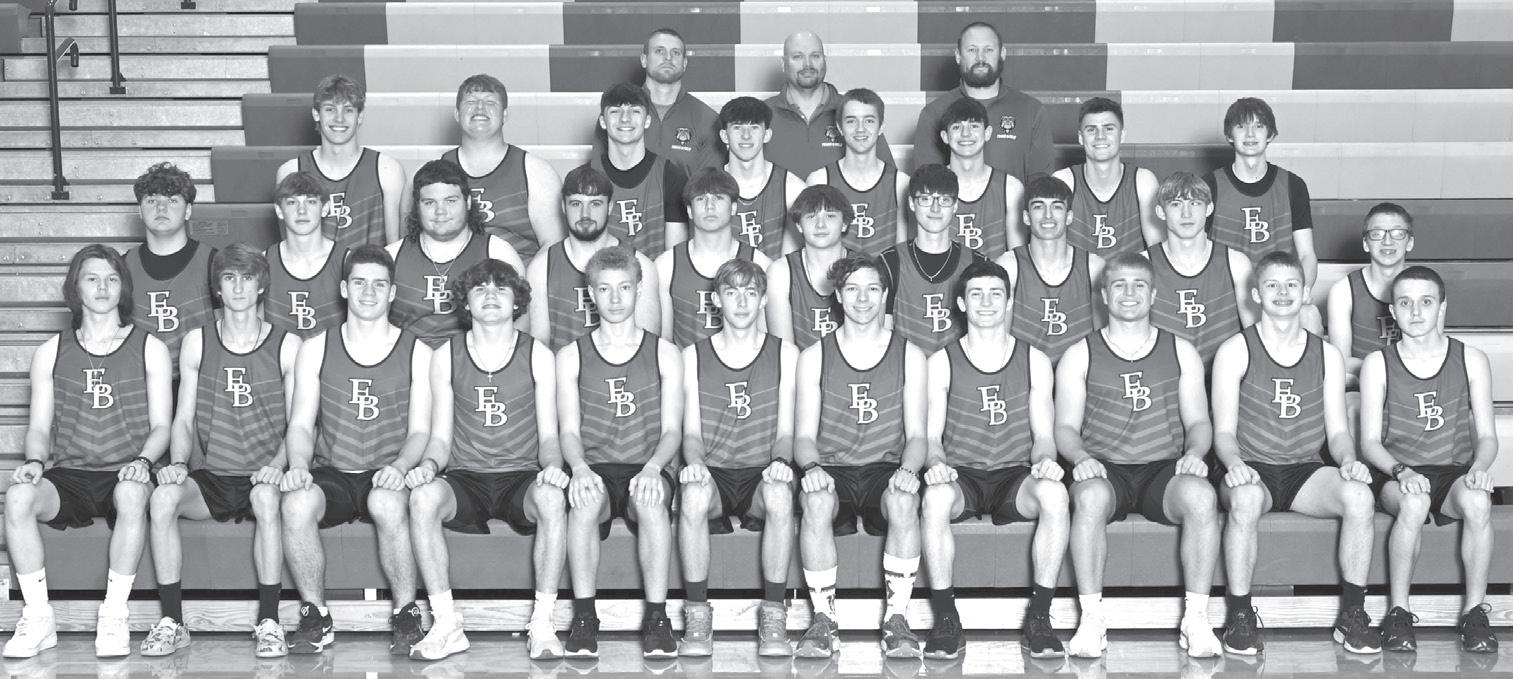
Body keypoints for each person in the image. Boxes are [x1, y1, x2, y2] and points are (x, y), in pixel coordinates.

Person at [2, 245, 173, 659]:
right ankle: (39, 618)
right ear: (75, 288)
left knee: (131, 493)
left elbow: (162, 427)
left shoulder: (149, 347)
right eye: (92, 278)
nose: (102, 287)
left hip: (127, 470)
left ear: (123, 288)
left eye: (112, 279)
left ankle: (114, 615)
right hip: (71, 474)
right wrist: (34, 462)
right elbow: (39, 427)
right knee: (19, 496)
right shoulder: (51, 351)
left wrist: (143, 462)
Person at [1210, 251, 1380, 656]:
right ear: (1256, 294)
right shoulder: (1235, 349)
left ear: (1305, 293)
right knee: (1245, 499)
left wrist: (1348, 460)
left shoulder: (1327, 354)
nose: (1282, 292)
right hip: (1251, 466)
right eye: (1272, 285)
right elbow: (1223, 432)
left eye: (1291, 285)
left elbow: (1337, 432)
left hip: (1305, 471)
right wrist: (1234, 464)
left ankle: (1352, 615)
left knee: (1360, 496)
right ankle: (1239, 616)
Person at [1054, 254, 1222, 659]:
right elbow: (1064, 428)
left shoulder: (1180, 350)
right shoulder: (1080, 352)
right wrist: (1080, 457)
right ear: (1103, 295)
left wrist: (1196, 452)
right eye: (1119, 285)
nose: (1129, 293)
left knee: (1202, 497)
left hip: (1162, 468)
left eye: (1139, 285)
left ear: (1153, 294)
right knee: (1089, 497)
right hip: (1103, 465)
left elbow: (1199, 422)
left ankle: (1197, 619)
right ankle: (1091, 619)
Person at [142, 245, 300, 658]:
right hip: (213, 477)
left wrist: (278, 466)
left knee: (266, 498)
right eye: (229, 278)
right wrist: (178, 464)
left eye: (247, 278)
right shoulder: (197, 341)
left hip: (264, 476)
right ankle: (172, 621)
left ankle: (270, 621)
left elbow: (302, 424)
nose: (238, 287)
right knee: (162, 498)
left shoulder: (287, 344)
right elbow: (183, 418)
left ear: (262, 285)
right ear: (217, 287)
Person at [405, 259, 568, 661]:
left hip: (520, 476)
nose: (490, 295)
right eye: (480, 288)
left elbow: (549, 436)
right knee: (423, 497)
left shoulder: (538, 354)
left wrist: (552, 466)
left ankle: (542, 623)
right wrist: (427, 467)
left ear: (517, 302)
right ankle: (446, 624)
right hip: (467, 477)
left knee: (552, 498)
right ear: (465, 302)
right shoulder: (446, 354)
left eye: (501, 288)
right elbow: (440, 437)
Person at [278, 245, 434, 656]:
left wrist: (401, 466)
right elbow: (300, 424)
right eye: (360, 282)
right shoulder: (316, 347)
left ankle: (406, 615)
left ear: (393, 292)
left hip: (388, 471)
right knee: (295, 503)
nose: (369, 292)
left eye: (379, 284)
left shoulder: (418, 351)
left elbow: (420, 430)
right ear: (344, 288)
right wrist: (298, 465)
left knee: (386, 502)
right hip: (334, 471)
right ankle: (316, 616)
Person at [918, 260, 1066, 660]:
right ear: (961, 304)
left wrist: (1046, 461)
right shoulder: (941, 361)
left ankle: (1040, 617)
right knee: (934, 498)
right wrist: (937, 463)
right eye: (976, 294)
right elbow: (931, 437)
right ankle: (946, 618)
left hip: (1014, 475)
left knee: (1055, 494)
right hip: (961, 475)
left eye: (995, 293)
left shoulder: (1034, 359)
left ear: (1010, 302)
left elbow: (1044, 437)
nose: (986, 302)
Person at [791, 255, 929, 659]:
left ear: (885, 295)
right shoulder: (814, 355)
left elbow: (917, 436)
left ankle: (897, 619)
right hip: (832, 467)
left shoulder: (910, 354)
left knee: (904, 500)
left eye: (872, 289)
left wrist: (909, 470)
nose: (863, 298)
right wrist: (811, 468)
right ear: (838, 296)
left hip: (885, 467)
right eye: (852, 289)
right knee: (815, 500)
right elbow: (803, 436)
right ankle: (823, 619)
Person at [1357, 266, 1498, 654]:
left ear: (1442, 307)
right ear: (1392, 311)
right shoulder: (1378, 362)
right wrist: (1401, 472)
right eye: (1405, 303)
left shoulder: (1471, 358)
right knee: (1415, 502)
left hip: (1453, 472)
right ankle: (1398, 612)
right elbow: (1369, 443)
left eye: (1426, 302)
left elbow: (1487, 437)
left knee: (1478, 501)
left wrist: (1478, 470)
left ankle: (1474, 614)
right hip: (1397, 473)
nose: (1416, 312)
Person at [556, 247, 684, 659]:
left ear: (639, 290)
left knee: (651, 503)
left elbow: (672, 430)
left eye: (624, 288)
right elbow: (568, 430)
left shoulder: (664, 352)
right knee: (583, 503)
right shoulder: (571, 354)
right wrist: (578, 468)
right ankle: (584, 618)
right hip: (593, 465)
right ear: (591, 293)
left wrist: (653, 469)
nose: (615, 298)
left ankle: (657, 618)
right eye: (605, 289)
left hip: (646, 463)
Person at [676, 260, 799, 657]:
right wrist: (695, 463)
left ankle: (774, 614)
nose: (742, 302)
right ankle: (697, 614)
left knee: (780, 493)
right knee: (693, 494)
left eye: (750, 293)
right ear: (716, 300)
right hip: (714, 472)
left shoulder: (786, 353)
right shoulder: (692, 355)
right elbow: (691, 434)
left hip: (762, 472)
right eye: (731, 293)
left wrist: (781, 461)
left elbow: (786, 432)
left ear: (763, 300)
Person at [386, 160, 525, 348]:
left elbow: (521, 322)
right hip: (407, 361)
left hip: (475, 361)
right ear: (417, 206)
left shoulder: (497, 252)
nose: (440, 211)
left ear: (468, 202)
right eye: (429, 202)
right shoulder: (392, 256)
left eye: (450, 201)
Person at [526, 166, 660, 351]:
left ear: (610, 207)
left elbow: (648, 348)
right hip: (563, 368)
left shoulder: (641, 265)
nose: (585, 214)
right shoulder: (542, 267)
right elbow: (539, 346)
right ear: (563, 207)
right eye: (576, 204)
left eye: (595, 204)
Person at [441, 74, 565, 260]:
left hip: (518, 274)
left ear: (504, 115)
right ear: (457, 114)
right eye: (471, 101)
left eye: (490, 102)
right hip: (454, 275)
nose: (480, 107)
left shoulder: (536, 172)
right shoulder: (434, 172)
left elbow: (553, 246)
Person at [275, 74, 407, 250]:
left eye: (348, 110)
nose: (339, 118)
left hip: (369, 267)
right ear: (316, 114)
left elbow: (395, 250)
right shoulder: (291, 171)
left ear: (360, 116)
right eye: (330, 109)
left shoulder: (387, 169)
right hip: (314, 268)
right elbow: (291, 249)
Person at [913, 22, 1053, 181]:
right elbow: (927, 184)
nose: (980, 58)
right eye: (972, 50)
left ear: (1002, 53)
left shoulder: (1031, 111)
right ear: (958, 56)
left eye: (988, 50)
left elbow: (1041, 184)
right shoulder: (934, 113)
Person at [1205, 97, 1318, 288]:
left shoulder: (1293, 185)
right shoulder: (1209, 185)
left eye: (1258, 126)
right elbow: (1196, 253)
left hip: (1276, 292)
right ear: (1229, 135)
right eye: (1241, 126)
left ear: (1270, 134)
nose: (1250, 134)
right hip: (1224, 292)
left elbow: (1306, 254)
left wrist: (1302, 291)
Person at [655, 167, 772, 348]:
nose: (710, 206)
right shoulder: (666, 266)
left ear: (733, 207)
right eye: (701, 199)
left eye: (718, 197)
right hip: (686, 365)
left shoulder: (760, 263)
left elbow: (766, 344)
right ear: (689, 211)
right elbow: (664, 344)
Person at [1145, 172, 1253, 367]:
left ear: (1209, 208)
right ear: (1161, 212)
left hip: (1224, 376)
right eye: (1176, 204)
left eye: (1195, 203)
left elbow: (1256, 340)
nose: (1186, 213)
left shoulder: (1236, 263)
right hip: (1163, 376)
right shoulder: (1144, 265)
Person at [880, 164, 987, 354]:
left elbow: (984, 338)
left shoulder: (977, 263)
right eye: (925, 199)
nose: (935, 208)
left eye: (944, 200)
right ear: (911, 203)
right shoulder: (889, 262)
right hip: (905, 368)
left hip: (959, 370)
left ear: (955, 205)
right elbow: (883, 339)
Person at [996, 175, 1104, 362]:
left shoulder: (1093, 267)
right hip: (1025, 372)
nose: (1048, 215)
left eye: (1057, 207)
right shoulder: (1009, 266)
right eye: (1038, 207)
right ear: (1026, 217)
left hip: (1080, 372)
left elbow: (1102, 344)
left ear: (1069, 217)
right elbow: (999, 344)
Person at [124, 162, 216, 368]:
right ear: (140, 211)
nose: (161, 208)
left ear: (188, 210)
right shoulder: (122, 267)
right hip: (140, 379)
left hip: (201, 379)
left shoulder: (213, 262)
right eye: (151, 200)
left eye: (172, 200)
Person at [765, 32, 894, 178]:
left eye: (815, 56)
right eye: (797, 57)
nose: (808, 64)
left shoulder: (854, 113)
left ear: (824, 61)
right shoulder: (761, 115)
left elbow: (887, 179)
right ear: (783, 64)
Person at [589, 83, 692, 259]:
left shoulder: (671, 175)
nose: (625, 119)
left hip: (656, 274)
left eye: (635, 111)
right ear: (603, 122)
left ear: (647, 121)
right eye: (615, 111)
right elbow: (584, 251)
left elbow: (674, 259)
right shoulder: (588, 178)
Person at [804, 88, 910, 257]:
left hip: (884, 273)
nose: (860, 129)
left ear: (881, 127)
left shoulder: (900, 183)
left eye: (869, 121)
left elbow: (902, 253)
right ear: (839, 128)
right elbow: (813, 252)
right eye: (851, 121)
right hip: (834, 272)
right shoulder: (820, 180)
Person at [1052, 97, 1162, 257]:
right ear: (1081, 138)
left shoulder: (1143, 181)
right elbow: (1051, 252)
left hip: (1129, 272)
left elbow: (1157, 252)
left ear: (1122, 135)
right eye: (1091, 130)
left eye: (1108, 128)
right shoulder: (1064, 181)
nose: (1100, 136)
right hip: (1078, 273)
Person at [1326, 202, 1413, 389]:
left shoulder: (1426, 288)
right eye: (1377, 234)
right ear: (1366, 243)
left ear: (1410, 242)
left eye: (1398, 233)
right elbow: (1342, 361)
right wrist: (1383, 372)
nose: (1387, 241)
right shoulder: (1343, 291)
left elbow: (1430, 352)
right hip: (1361, 386)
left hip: (1410, 387)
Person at [719, 96, 807, 258]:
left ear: (767, 135)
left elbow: (790, 263)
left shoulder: (792, 188)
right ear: (724, 136)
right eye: (737, 127)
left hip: (776, 273)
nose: (746, 136)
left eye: (754, 127)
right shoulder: (709, 189)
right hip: (723, 273)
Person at [766, 185, 851, 350]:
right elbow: (785, 353)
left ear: (844, 224)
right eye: (811, 216)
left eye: (830, 216)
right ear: (799, 225)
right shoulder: (780, 273)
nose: (820, 225)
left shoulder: (864, 270)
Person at [938, 97, 1024, 259]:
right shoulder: (932, 188)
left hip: (995, 275)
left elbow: (1018, 260)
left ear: (987, 133)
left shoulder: (1010, 188)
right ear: (945, 136)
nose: (966, 134)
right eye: (957, 127)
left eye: (974, 126)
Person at [265, 171, 345, 338]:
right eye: (292, 202)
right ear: (279, 210)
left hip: (332, 354)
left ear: (325, 208)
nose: (302, 210)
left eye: (311, 201)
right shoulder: (263, 262)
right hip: (277, 355)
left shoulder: (347, 261)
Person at [637, 28, 721, 171]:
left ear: (684, 64)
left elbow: (711, 182)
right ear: (644, 60)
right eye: (659, 51)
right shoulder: (619, 114)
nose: (668, 57)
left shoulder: (707, 119)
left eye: (676, 52)